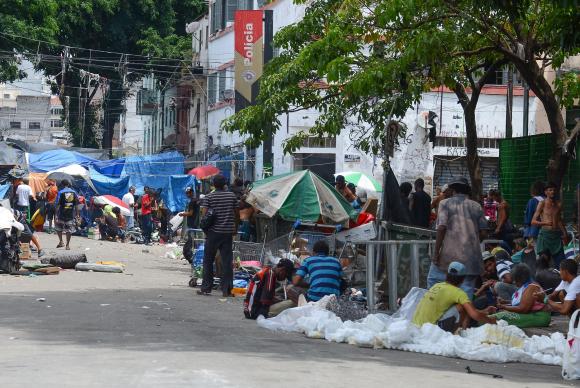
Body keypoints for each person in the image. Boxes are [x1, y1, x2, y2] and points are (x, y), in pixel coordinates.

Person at [430, 177, 487, 298]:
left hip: (449, 257)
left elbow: (441, 228)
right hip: (472, 259)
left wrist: (436, 254)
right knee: (465, 294)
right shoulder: (477, 206)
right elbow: (483, 233)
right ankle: (463, 315)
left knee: (434, 283)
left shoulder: (445, 203)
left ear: (453, 190)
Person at [413, 261, 496, 332]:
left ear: (447, 274)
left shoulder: (437, 286)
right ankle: (459, 331)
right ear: (463, 279)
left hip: (417, 326)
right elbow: (474, 314)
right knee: (462, 307)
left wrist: (485, 311)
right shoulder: (458, 293)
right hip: (432, 330)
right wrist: (490, 320)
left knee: (463, 305)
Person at [198, 175, 239, 297]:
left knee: (208, 260)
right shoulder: (231, 196)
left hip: (213, 233)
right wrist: (235, 228)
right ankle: (227, 290)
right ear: (225, 184)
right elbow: (236, 214)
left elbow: (204, 215)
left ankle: (206, 288)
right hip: (227, 233)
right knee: (226, 261)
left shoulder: (209, 197)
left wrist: (206, 231)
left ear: (214, 185)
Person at [493, 263, 551, 328]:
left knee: (502, 316)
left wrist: (503, 307)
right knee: (501, 315)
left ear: (521, 279)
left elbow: (523, 309)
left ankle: (482, 320)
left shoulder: (532, 287)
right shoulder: (526, 286)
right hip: (534, 315)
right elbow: (523, 301)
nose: (514, 282)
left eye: (515, 280)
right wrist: (505, 302)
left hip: (539, 317)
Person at [532, 182, 568, 267]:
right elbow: (533, 221)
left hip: (556, 237)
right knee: (543, 264)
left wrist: (565, 234)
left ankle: (560, 279)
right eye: (550, 190)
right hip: (545, 236)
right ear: (546, 192)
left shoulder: (558, 204)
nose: (552, 192)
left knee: (561, 263)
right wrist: (545, 223)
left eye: (554, 190)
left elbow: (559, 220)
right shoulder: (542, 203)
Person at [55, 179, 79, 250]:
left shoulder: (60, 192)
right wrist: (77, 214)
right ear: (68, 184)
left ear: (62, 185)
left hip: (61, 214)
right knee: (69, 230)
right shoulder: (74, 192)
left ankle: (61, 241)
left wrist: (56, 214)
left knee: (59, 228)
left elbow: (58, 205)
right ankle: (67, 245)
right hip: (70, 214)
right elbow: (76, 205)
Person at [180, 186, 200, 262]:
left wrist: (182, 214)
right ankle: (193, 255)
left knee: (191, 241)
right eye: (186, 193)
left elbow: (190, 213)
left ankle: (191, 256)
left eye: (188, 193)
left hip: (192, 224)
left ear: (192, 193)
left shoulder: (192, 202)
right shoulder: (196, 201)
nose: (187, 194)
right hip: (195, 223)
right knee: (193, 240)